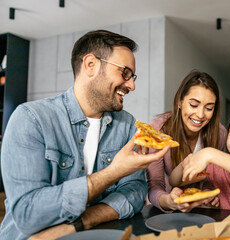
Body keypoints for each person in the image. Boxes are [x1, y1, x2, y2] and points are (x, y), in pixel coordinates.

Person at [0, 30, 169, 240]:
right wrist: (113, 172)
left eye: (132, 76)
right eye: (125, 73)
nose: (131, 85)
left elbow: (134, 191)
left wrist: (81, 223)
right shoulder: (32, 118)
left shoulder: (126, 125)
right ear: (90, 64)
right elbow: (28, 213)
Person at [146, 70, 227, 213]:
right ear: (180, 102)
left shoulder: (220, 134)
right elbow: (154, 185)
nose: (200, 115)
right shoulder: (157, 130)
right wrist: (169, 201)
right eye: (194, 105)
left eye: (209, 108)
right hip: (162, 211)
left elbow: (212, 177)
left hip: (200, 211)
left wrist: (210, 193)